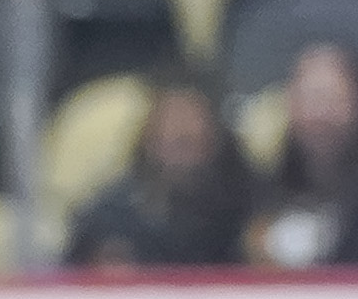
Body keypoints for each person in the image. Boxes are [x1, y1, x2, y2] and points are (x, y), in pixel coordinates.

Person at [67, 69, 250, 271]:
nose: (179, 129)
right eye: (170, 118)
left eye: (191, 120)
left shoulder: (247, 205)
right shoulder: (113, 215)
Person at [249, 41, 358, 271]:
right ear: (290, 104)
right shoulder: (260, 184)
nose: (320, 115)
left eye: (331, 99)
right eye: (309, 99)